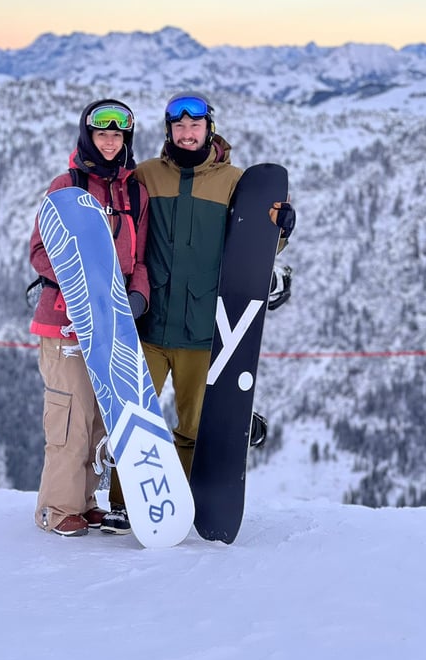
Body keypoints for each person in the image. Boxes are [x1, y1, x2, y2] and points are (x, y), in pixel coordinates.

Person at [104, 91, 295, 532]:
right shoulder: (146, 175)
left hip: (204, 329)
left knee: (193, 428)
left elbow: (254, 246)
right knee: (136, 420)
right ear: (169, 131)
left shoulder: (234, 181)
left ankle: (179, 508)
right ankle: (122, 503)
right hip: (149, 323)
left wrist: (280, 230)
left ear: (209, 129)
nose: (187, 134)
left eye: (195, 126)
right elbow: (123, 225)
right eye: (179, 127)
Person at [29, 99, 150, 537]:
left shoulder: (134, 191)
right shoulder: (67, 185)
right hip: (64, 319)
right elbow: (40, 253)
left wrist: (137, 295)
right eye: (102, 134)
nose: (110, 142)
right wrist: (81, 285)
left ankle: (83, 501)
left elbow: (141, 257)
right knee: (70, 417)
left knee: (100, 418)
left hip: (112, 320)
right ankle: (57, 509)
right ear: (88, 136)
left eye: (118, 136)